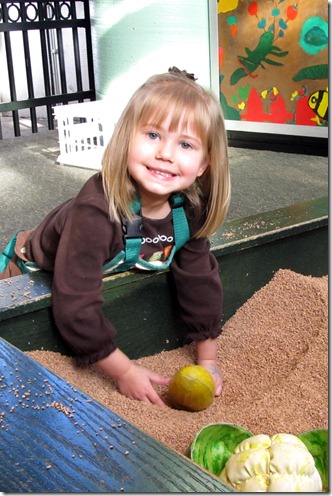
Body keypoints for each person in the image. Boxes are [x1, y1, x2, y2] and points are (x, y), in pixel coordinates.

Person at [0, 67, 231, 406]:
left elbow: (200, 281)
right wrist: (124, 371)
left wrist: (208, 360)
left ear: (203, 165)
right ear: (126, 138)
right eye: (152, 135)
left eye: (184, 144)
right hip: (24, 270)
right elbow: (75, 307)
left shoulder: (188, 212)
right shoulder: (95, 213)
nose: (165, 153)